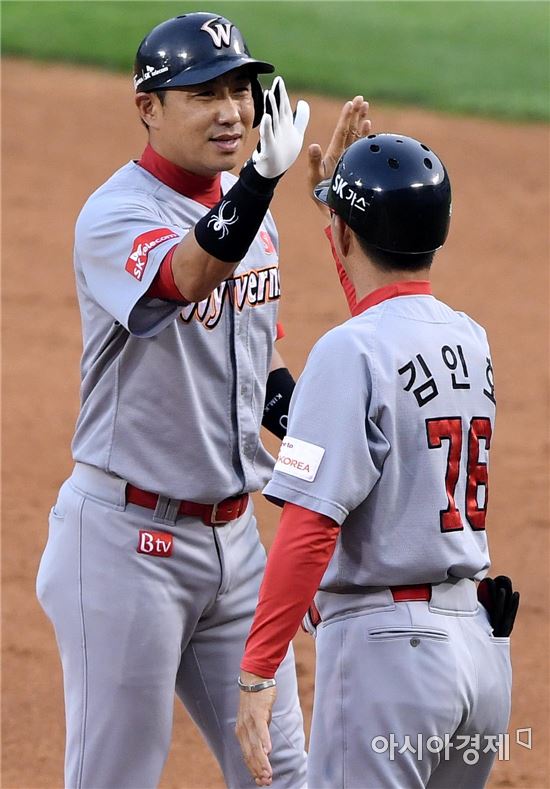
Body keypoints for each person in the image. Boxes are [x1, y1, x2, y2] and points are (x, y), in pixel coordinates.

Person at [35, 11, 315, 788]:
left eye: (240, 89)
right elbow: (186, 275)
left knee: (283, 773)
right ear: (148, 107)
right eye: (203, 92)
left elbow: (265, 363)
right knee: (115, 776)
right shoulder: (115, 214)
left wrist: (310, 479)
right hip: (128, 547)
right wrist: (259, 182)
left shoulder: (250, 220)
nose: (231, 110)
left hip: (236, 548)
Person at [236, 132, 518, 788]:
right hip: (478, 658)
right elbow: (382, 335)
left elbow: (309, 528)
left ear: (342, 234)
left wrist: (256, 672)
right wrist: (339, 207)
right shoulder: (468, 339)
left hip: (389, 664)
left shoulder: (350, 351)